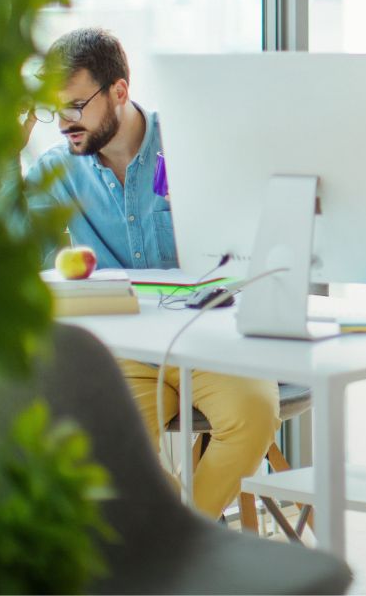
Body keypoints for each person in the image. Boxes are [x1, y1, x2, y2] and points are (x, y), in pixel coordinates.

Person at [20, 28, 280, 520]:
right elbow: (13, 247)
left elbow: (254, 231)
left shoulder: (193, 139)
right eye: (55, 110)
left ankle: (184, 546)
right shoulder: (59, 170)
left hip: (213, 339)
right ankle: (186, 544)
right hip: (127, 352)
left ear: (119, 91)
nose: (64, 123)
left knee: (254, 415)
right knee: (106, 442)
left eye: (75, 106)